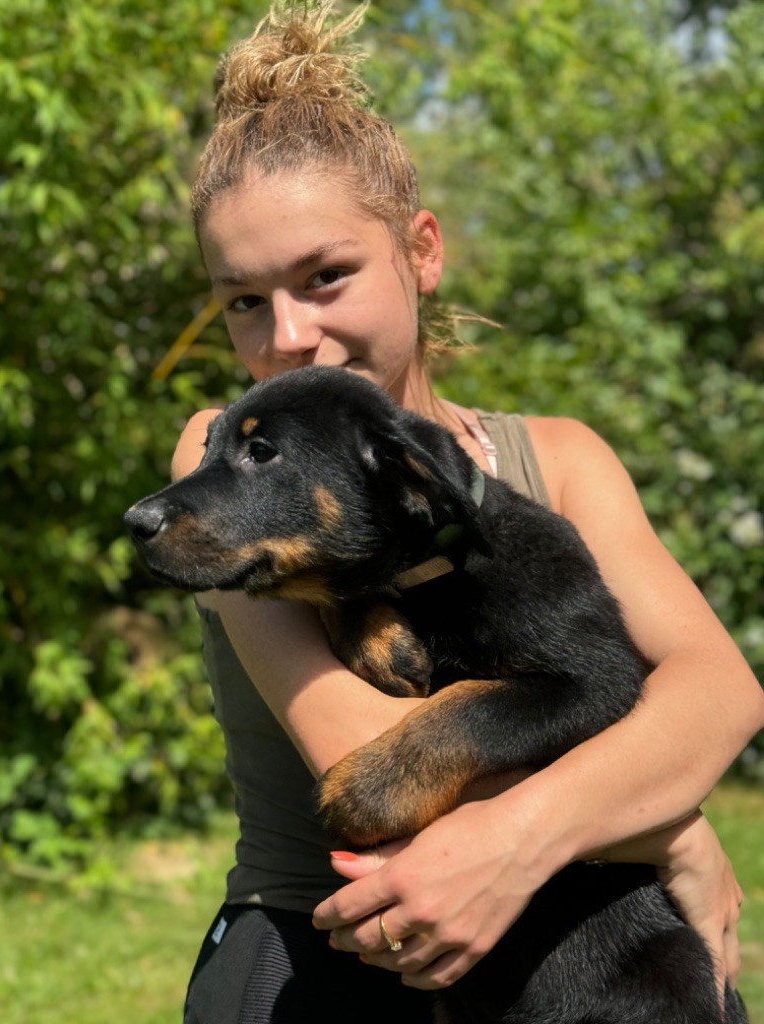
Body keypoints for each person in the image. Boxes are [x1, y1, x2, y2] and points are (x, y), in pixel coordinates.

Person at [170, 3, 764, 1022]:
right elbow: (370, 759)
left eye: (326, 276)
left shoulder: (559, 459)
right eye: (244, 301)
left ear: (422, 251)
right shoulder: (226, 462)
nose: (289, 336)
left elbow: (718, 692)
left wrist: (574, 825)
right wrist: (668, 830)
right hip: (326, 951)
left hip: (580, 967)